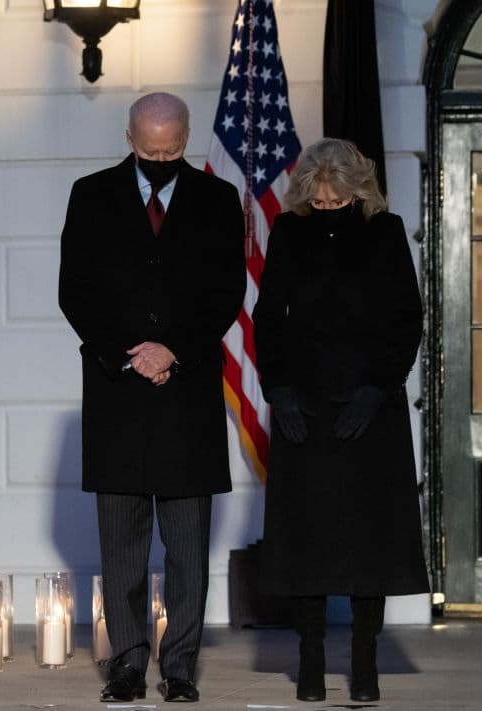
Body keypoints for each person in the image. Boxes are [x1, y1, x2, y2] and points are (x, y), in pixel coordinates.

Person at [58, 92, 245, 704]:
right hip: (117, 395)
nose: (159, 159)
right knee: (122, 547)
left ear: (186, 139)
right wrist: (129, 354)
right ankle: (128, 665)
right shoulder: (90, 195)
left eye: (170, 151)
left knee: (189, 547)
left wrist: (173, 352)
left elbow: (225, 292)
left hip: (186, 396)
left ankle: (182, 667)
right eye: (147, 150)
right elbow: (75, 292)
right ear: (129, 137)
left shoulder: (218, 200)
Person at [252, 138, 430, 703]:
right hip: (301, 406)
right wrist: (277, 391)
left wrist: (377, 390)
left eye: (338, 201)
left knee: (368, 542)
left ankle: (364, 664)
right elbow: (268, 319)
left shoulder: (384, 231)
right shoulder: (288, 233)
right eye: (320, 201)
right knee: (305, 539)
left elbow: (407, 318)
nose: (327, 209)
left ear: (358, 192)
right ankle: (308, 662)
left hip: (369, 408)